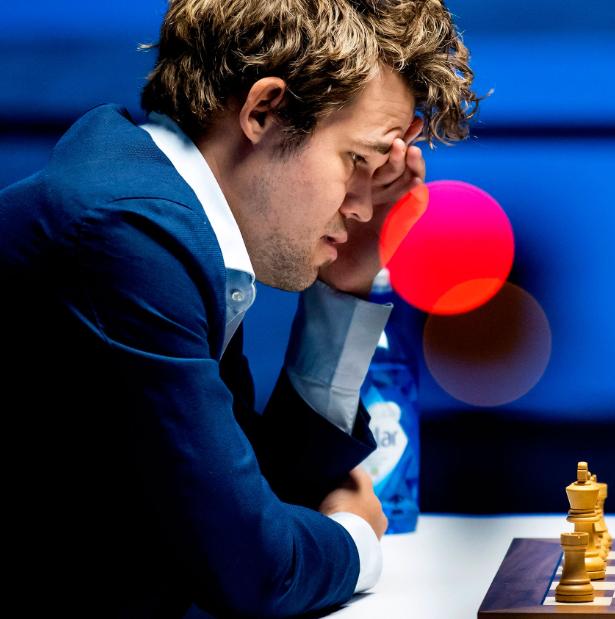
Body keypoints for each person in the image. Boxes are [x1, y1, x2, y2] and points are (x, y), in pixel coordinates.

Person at [0, 0, 479, 616]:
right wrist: (356, 540)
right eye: (358, 160)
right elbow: (253, 569)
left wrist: (345, 285)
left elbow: (254, 496)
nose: (364, 205)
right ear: (264, 110)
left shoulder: (174, 213)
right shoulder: (128, 233)